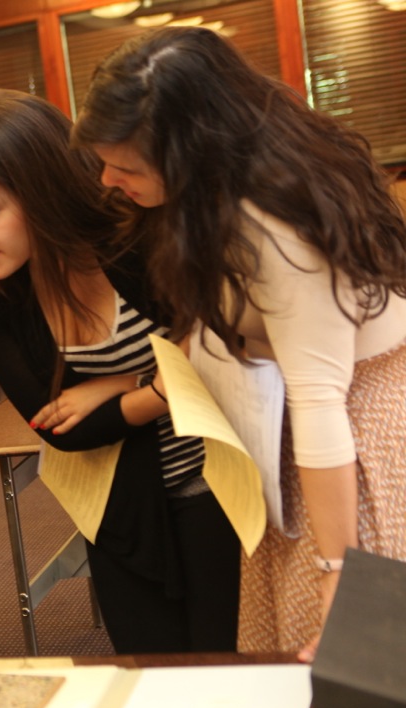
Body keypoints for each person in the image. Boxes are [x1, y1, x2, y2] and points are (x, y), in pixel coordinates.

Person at [74, 27, 406, 658]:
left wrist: (342, 573)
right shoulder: (219, 191)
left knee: (352, 654)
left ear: (192, 150)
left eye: (127, 166)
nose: (108, 180)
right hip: (296, 426)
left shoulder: (278, 226)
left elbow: (320, 401)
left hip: (354, 436)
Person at [0, 89, 240, 654]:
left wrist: (123, 388)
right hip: (120, 506)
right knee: (151, 683)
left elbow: (227, 357)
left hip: (220, 485)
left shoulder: (137, 234)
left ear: (41, 190)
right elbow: (61, 428)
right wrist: (158, 384)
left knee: (239, 673)